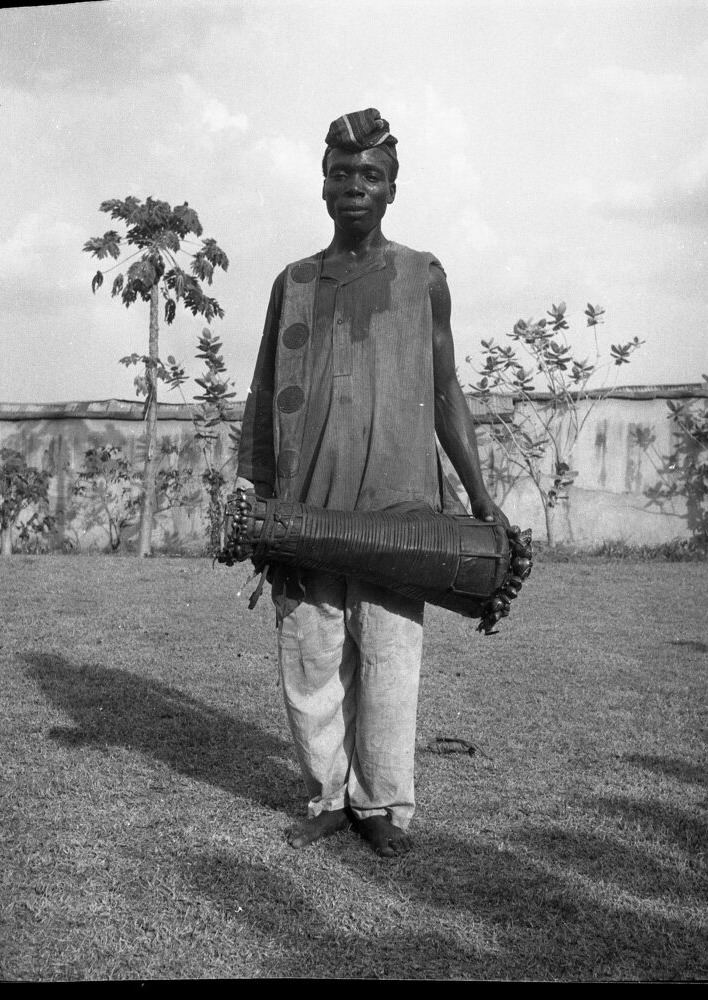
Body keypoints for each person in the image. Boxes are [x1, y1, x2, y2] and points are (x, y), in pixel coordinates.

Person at [238, 108, 505, 857]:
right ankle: (326, 794)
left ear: (393, 189)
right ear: (322, 184)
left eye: (371, 175)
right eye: (341, 173)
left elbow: (447, 389)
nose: (354, 186)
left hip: (399, 502)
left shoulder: (424, 276)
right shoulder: (293, 284)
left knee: (389, 657)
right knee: (312, 654)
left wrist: (480, 496)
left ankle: (384, 805)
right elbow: (265, 393)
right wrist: (254, 495)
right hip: (307, 502)